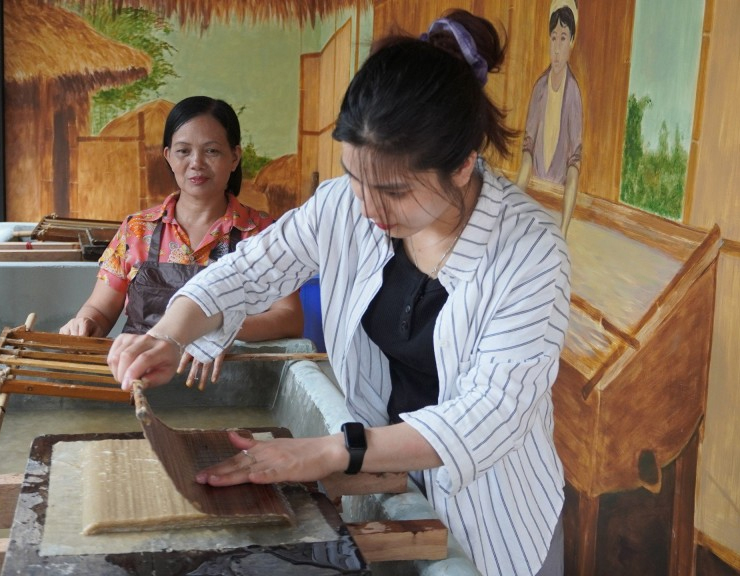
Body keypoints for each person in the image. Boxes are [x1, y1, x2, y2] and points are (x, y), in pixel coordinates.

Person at [108, 11, 570, 576]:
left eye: (394, 191)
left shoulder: (528, 251)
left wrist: (331, 450)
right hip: (390, 479)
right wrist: (169, 334)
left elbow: (491, 413)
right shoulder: (343, 205)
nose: (369, 207)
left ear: (462, 166)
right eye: (355, 177)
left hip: (497, 514)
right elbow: (248, 270)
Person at [61, 96, 304, 386]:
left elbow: (289, 317)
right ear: (168, 156)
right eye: (183, 151)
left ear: (234, 157)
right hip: (138, 381)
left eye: (211, 151)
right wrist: (85, 323)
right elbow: (100, 310)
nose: (196, 163)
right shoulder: (137, 229)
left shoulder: (262, 232)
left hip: (228, 385)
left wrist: (219, 329)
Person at [516, 0, 582, 238]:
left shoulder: (573, 93)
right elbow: (528, 149)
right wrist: (515, 202)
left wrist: (563, 229)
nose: (556, 48)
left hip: (558, 196)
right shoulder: (539, 89)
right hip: (533, 190)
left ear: (572, 41)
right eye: (553, 38)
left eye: (563, 38)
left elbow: (574, 162)